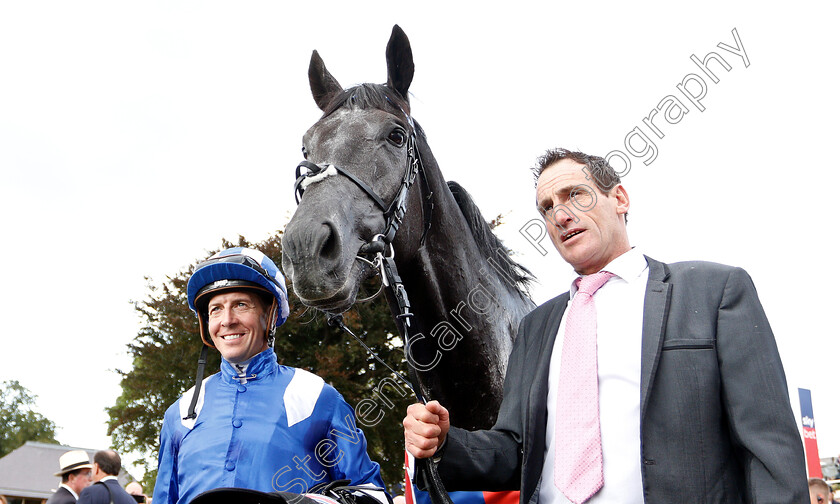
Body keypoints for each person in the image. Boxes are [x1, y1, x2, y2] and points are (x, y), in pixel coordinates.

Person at [403, 149, 809, 504]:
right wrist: (446, 441)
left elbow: (768, 447)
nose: (560, 215)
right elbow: (516, 452)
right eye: (546, 208)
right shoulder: (536, 327)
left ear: (619, 198)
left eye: (574, 195)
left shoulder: (714, 292)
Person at [152, 247, 387, 504]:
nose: (227, 320)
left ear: (270, 315)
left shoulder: (317, 397)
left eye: (241, 305)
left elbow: (372, 495)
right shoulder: (181, 412)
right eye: (215, 309)